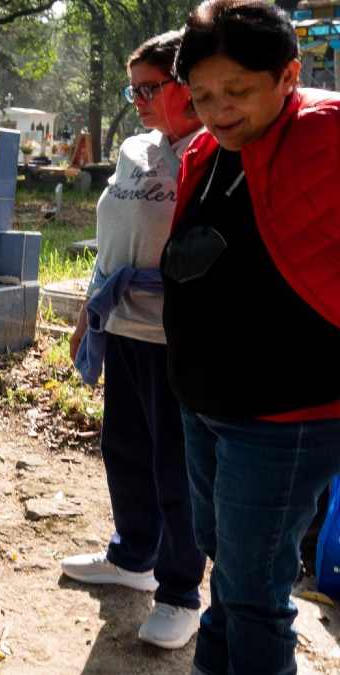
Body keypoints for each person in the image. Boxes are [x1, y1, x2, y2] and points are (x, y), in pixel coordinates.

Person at [162, 2, 340, 673]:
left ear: (287, 75)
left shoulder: (324, 137)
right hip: (206, 402)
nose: (217, 108)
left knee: (255, 588)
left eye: (237, 90)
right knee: (230, 570)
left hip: (285, 416)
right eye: (202, 94)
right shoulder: (209, 152)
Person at [63, 31, 207, 650]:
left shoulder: (213, 152)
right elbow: (114, 235)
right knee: (123, 449)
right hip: (120, 323)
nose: (139, 100)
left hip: (177, 337)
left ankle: (180, 591)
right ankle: (133, 558)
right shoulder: (134, 149)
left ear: (186, 86)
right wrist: (87, 314)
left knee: (176, 467)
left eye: (150, 88)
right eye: (133, 89)